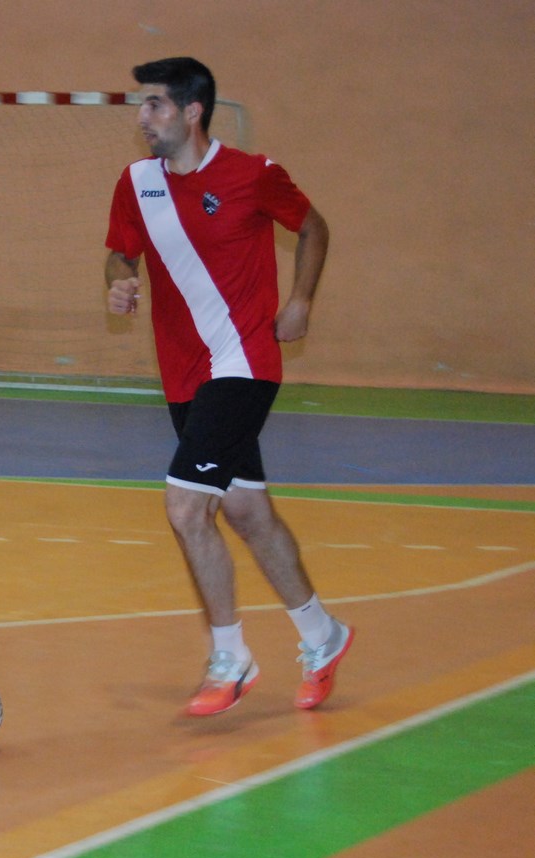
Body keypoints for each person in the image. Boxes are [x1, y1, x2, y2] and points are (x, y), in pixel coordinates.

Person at [103, 57, 352, 716]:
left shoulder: (253, 174)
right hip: (183, 375)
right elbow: (121, 250)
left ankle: (230, 656)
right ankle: (323, 636)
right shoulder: (135, 183)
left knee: (187, 508)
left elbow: (313, 226)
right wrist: (119, 278)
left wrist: (301, 299)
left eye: (155, 104)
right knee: (245, 511)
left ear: (191, 112)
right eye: (142, 104)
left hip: (242, 363)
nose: (142, 116)